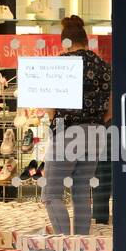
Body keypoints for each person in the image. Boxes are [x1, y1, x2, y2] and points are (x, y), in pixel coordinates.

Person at [43, 16, 112, 235]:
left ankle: (65, 244)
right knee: (81, 191)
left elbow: (51, 106)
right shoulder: (104, 66)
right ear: (86, 39)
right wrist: (98, 121)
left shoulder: (62, 64)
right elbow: (111, 106)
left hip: (68, 131)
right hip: (96, 132)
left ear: (65, 42)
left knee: (52, 192)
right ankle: (81, 244)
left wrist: (55, 124)